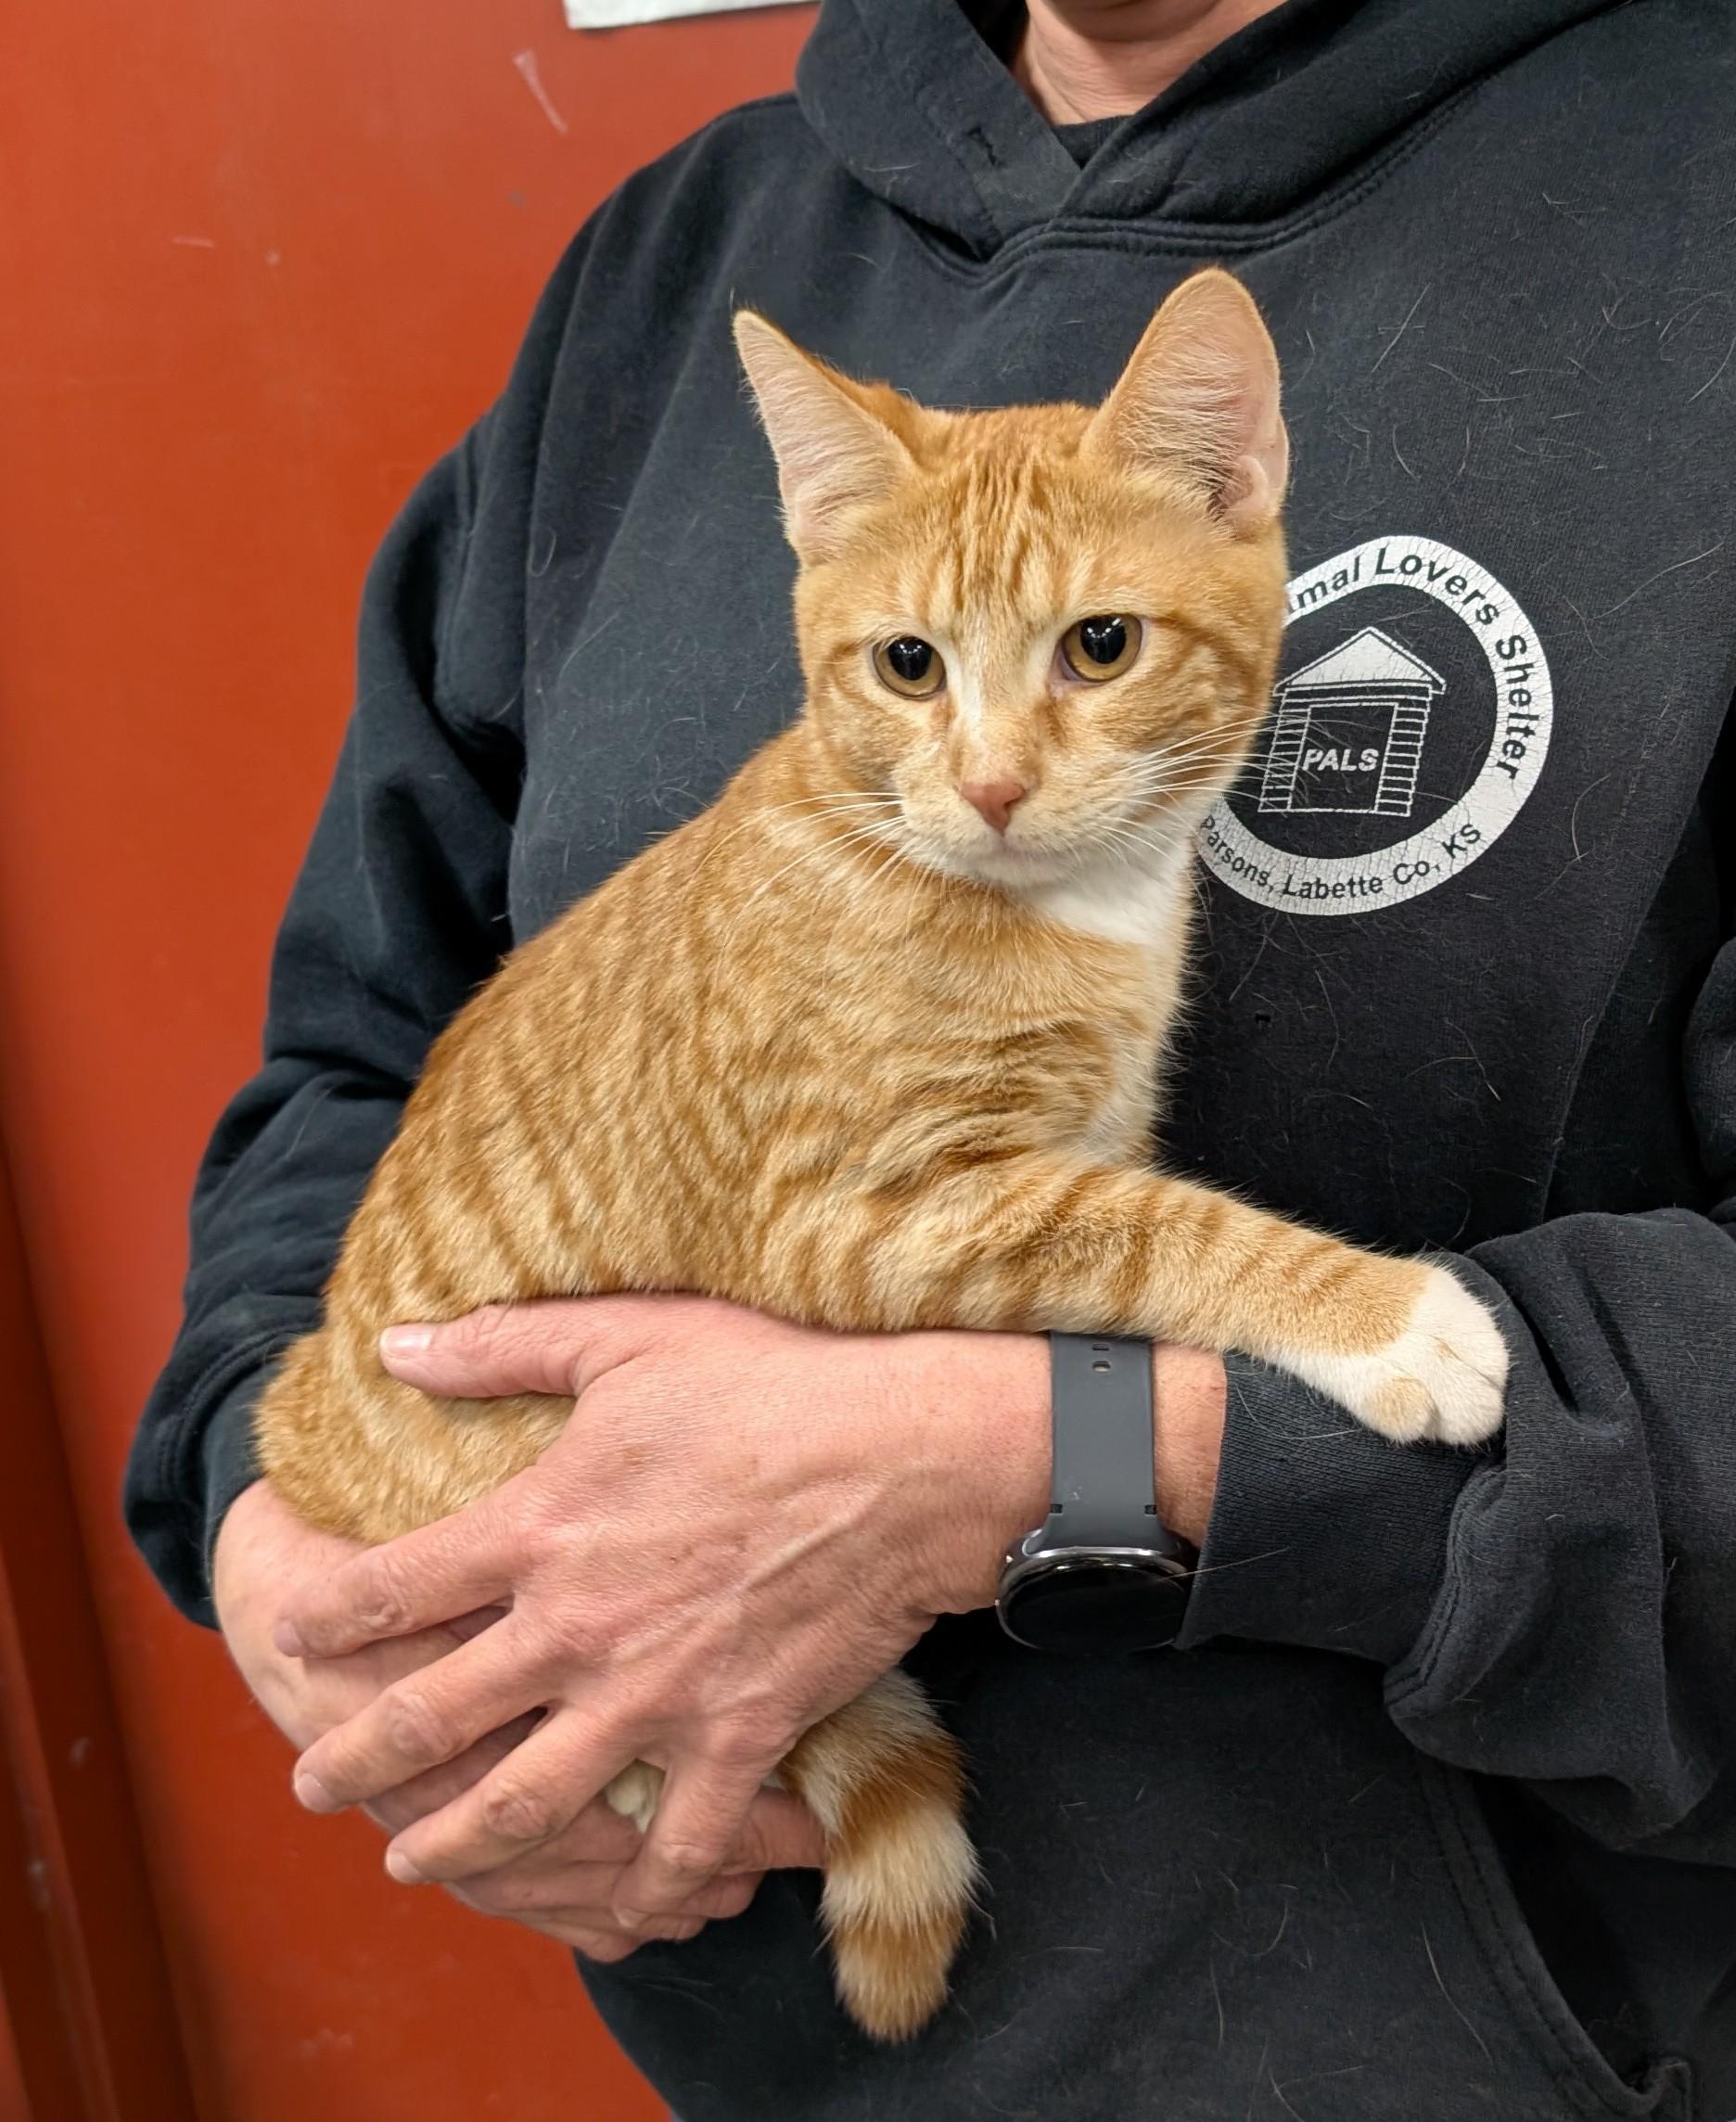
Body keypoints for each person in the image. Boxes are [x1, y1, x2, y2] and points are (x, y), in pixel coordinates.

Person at [128, 0, 1736, 2115]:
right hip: (772, 2025)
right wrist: (286, 1515)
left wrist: (1043, 1460)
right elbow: (357, 1044)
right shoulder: (677, 264)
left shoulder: (1686, 181)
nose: (981, 775)